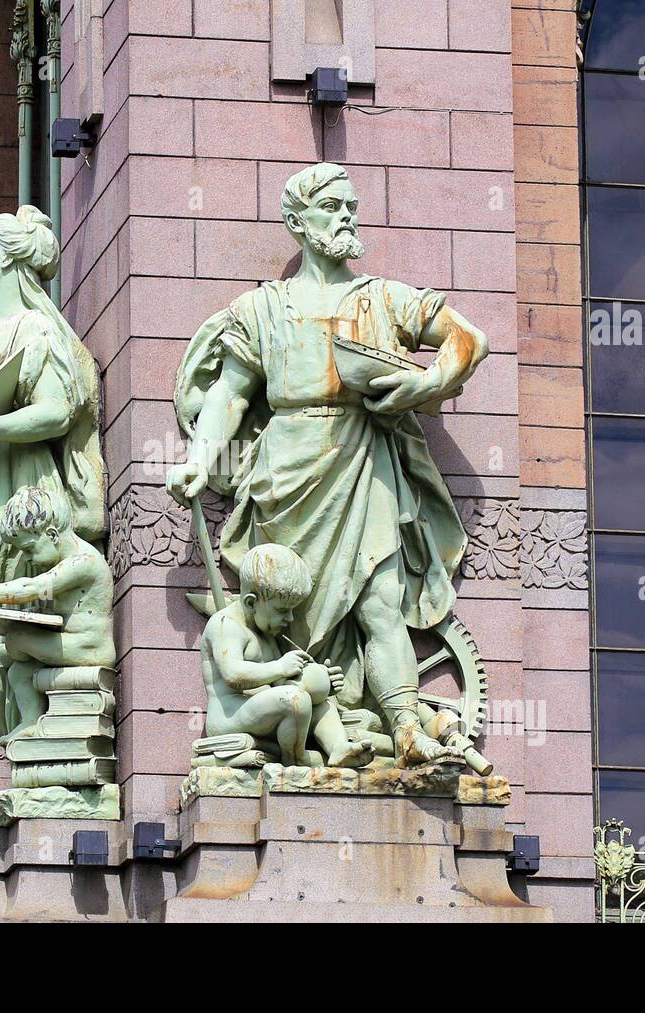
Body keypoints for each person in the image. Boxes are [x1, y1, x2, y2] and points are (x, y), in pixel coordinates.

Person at [169, 163, 489, 765]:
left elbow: (468, 339)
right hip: (286, 470)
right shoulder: (261, 309)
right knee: (285, 610)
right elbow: (232, 393)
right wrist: (199, 457)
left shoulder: (383, 300)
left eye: (351, 204)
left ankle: (404, 727)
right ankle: (310, 730)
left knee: (379, 600)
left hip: (363, 459)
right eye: (332, 206)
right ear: (298, 222)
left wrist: (423, 387)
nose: (347, 215)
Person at [0, 206, 106, 737]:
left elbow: (55, 410)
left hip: (24, 486)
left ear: (9, 257)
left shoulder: (35, 328)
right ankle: (20, 740)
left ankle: (46, 741)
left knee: (5, 623)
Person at [200, 543, 374, 768]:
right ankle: (296, 759)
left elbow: (279, 683)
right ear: (251, 602)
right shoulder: (226, 625)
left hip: (264, 712)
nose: (290, 619)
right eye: (282, 610)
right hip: (230, 714)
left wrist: (319, 681)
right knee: (295, 700)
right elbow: (233, 674)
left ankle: (338, 747)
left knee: (318, 702)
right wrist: (281, 667)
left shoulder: (267, 635)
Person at [0, 486, 116, 743]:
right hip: (69, 644)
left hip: (88, 647)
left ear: (52, 534)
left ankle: (15, 652)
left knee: (17, 638)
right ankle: (31, 722)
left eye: (29, 549)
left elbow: (31, 588)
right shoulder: (61, 567)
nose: (29, 558)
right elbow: (47, 610)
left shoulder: (83, 562)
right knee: (18, 673)